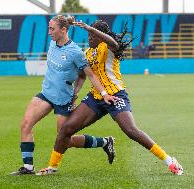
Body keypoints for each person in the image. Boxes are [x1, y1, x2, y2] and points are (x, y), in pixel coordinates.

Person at [36, 20, 183, 176]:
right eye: (88, 35)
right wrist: (75, 93)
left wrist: (90, 28)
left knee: (131, 130)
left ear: (100, 36)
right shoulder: (87, 53)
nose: (89, 38)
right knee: (66, 130)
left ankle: (169, 160)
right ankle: (52, 167)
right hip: (96, 97)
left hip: (115, 95)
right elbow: (81, 76)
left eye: (92, 35)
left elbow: (112, 41)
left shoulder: (110, 47)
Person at [10, 16, 118, 175]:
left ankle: (104, 142)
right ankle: (28, 168)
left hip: (63, 100)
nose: (48, 32)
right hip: (46, 94)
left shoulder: (75, 52)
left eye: (52, 29)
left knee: (65, 140)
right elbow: (63, 21)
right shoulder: (53, 42)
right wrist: (67, 19)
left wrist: (97, 93)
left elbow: (87, 75)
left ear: (63, 31)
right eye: (48, 28)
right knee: (26, 124)